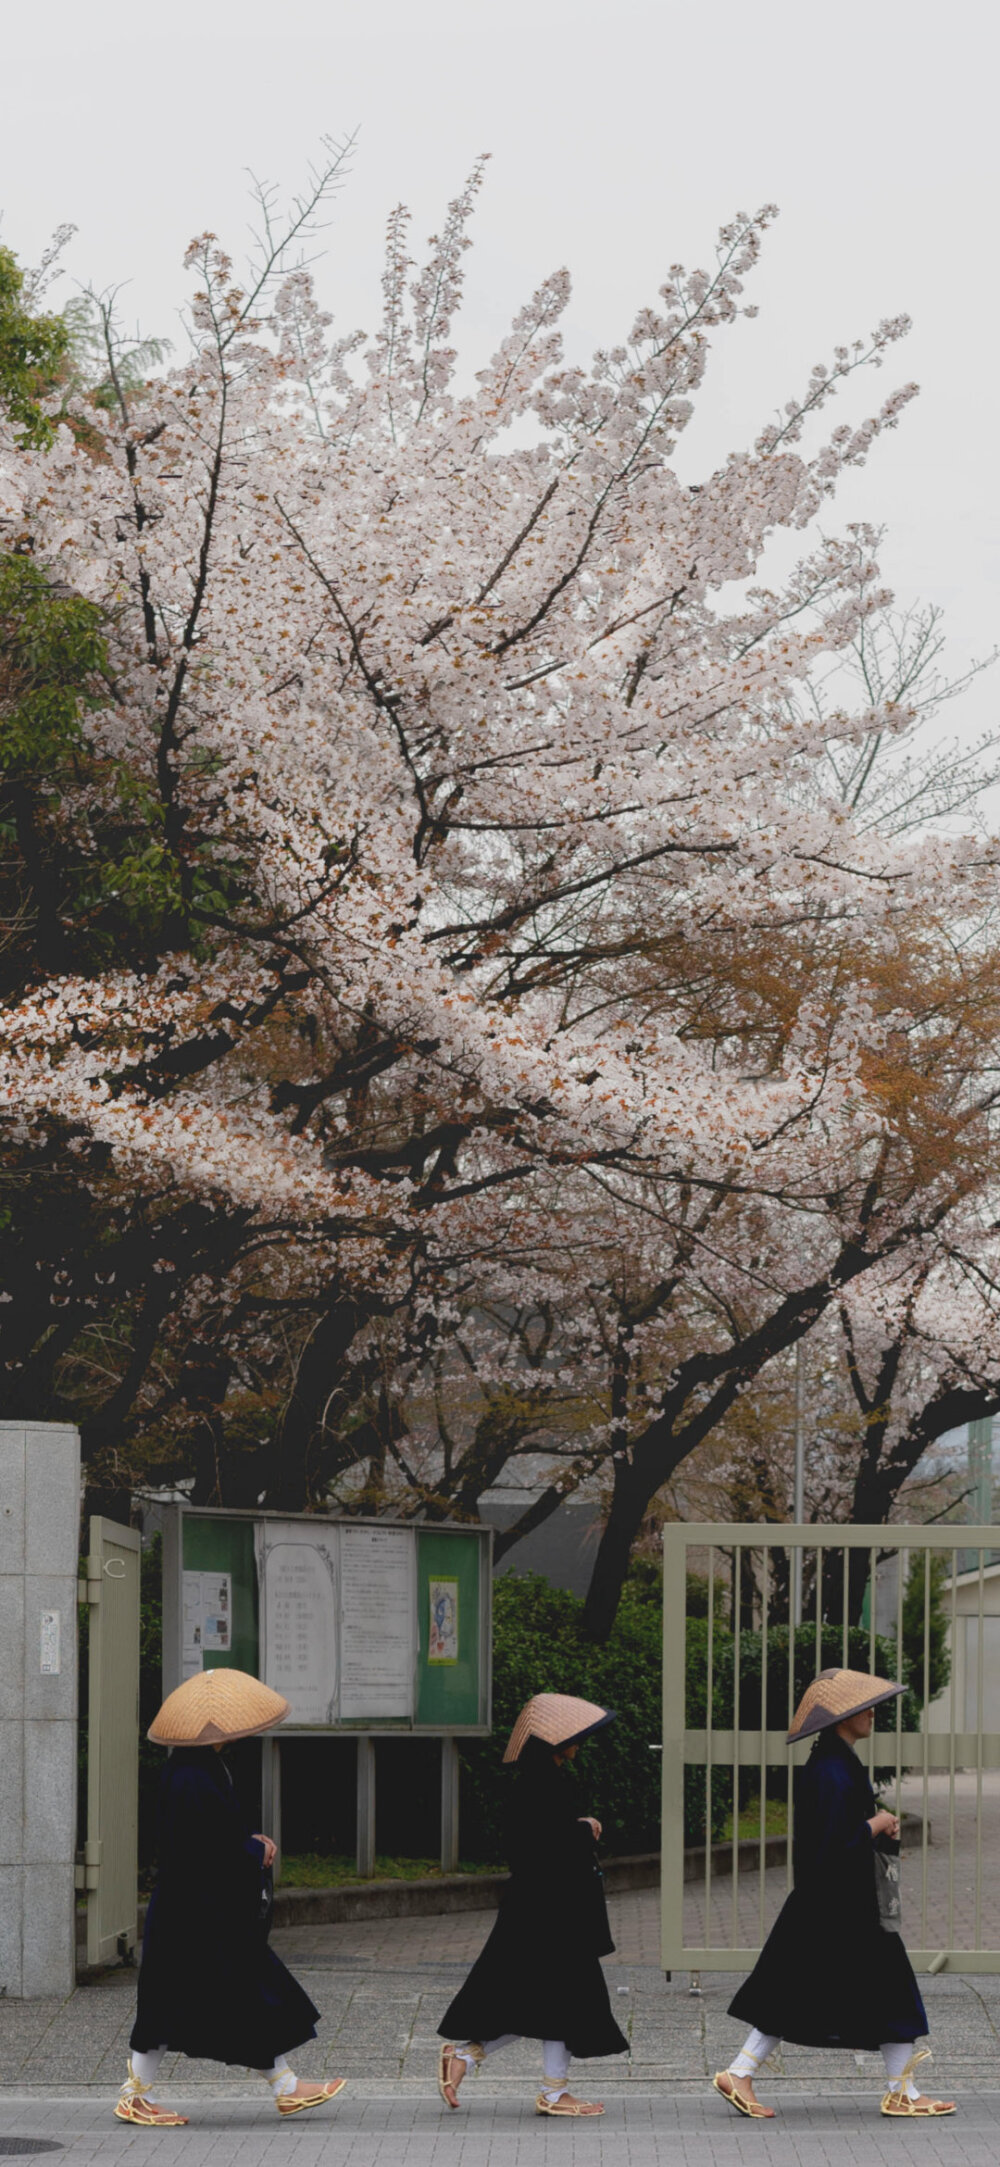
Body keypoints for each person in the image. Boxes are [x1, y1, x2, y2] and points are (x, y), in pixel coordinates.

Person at [714, 1666, 955, 2121]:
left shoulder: (834, 1763)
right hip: (839, 1905)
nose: (872, 1714)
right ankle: (900, 2091)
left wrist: (877, 1827)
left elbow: (839, 1836)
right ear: (841, 1716)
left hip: (832, 1903)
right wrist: (875, 1823)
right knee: (889, 1991)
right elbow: (831, 1844)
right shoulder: (830, 1770)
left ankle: (740, 2071)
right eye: (863, 1707)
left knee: (792, 1992)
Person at [116, 1667, 346, 2126]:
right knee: (231, 1991)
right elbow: (208, 1847)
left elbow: (208, 1839)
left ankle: (283, 2087)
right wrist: (253, 1849)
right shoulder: (194, 1777)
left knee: (206, 1998)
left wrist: (248, 1843)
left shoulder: (190, 1769)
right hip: (196, 1912)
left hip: (192, 1909)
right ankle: (136, 2094)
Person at [437, 1692, 628, 2117]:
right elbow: (547, 1843)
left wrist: (576, 1827)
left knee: (542, 1997)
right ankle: (551, 2091)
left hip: (539, 1905)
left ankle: (470, 2058)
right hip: (551, 1909)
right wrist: (583, 1830)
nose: (580, 1743)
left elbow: (538, 1836)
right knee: (559, 1997)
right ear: (557, 1741)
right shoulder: (546, 1781)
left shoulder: (536, 1777)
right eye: (575, 1737)